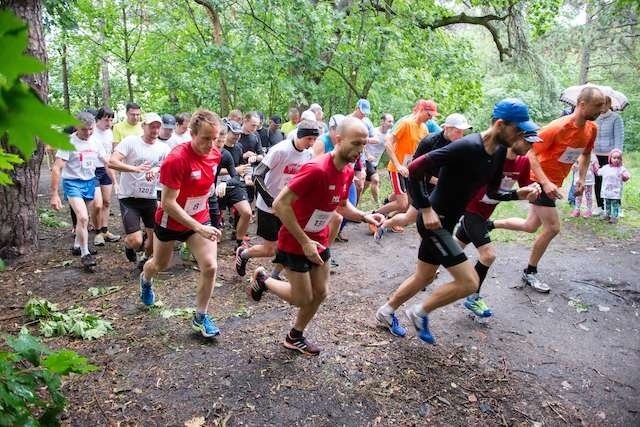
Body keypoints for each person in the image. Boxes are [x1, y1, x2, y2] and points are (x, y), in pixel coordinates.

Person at [375, 98, 541, 343]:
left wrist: (518, 194)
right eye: (517, 129)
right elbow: (416, 170)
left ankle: (385, 312)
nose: (520, 135)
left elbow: (491, 193)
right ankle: (419, 312)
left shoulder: (497, 154)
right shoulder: (467, 146)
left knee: (425, 276)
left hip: (449, 220)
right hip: (435, 221)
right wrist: (426, 208)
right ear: (500, 124)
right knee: (469, 282)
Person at [247, 117, 384, 355]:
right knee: (302, 298)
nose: (360, 150)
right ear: (338, 140)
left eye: (363, 144)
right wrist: (304, 241)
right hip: (294, 240)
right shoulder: (316, 169)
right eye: (355, 143)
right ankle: (263, 280)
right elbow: (280, 205)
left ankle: (295, 336)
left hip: (319, 239)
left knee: (321, 293)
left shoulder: (348, 170)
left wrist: (365, 216)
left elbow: (341, 206)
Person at [490, 87, 605, 293]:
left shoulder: (591, 129)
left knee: (530, 225)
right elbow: (530, 152)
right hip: (538, 181)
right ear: (582, 104)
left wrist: (579, 178)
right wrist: (544, 183)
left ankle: (488, 224)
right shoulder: (558, 127)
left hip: (555, 182)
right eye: (598, 105)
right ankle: (530, 272)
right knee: (552, 228)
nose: (602, 109)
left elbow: (586, 154)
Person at [139, 110, 223, 338]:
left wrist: (209, 216)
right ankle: (146, 280)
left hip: (200, 217)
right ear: (192, 133)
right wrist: (198, 227)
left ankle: (200, 317)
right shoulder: (177, 159)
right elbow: (167, 203)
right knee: (159, 264)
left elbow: (207, 186)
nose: (211, 144)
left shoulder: (215, 154)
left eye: (214, 138)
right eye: (206, 138)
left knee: (210, 266)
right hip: (171, 220)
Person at [455, 135, 540, 318]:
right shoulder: (493, 158)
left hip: (486, 212)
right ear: (515, 139)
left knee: (457, 245)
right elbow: (491, 192)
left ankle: (428, 267)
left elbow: (524, 190)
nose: (530, 147)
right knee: (488, 255)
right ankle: (472, 296)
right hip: (471, 210)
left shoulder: (524, 162)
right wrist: (516, 194)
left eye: (533, 143)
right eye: (527, 142)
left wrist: (533, 192)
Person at [235, 120, 318, 277]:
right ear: (300, 135)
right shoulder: (280, 150)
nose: (311, 143)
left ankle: (273, 276)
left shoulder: (309, 154)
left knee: (290, 243)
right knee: (270, 249)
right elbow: (257, 175)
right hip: (269, 206)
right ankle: (243, 254)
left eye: (314, 140)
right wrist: (271, 202)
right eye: (308, 139)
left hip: (289, 207)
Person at [373, 113, 471, 238]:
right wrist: (437, 181)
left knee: (422, 217)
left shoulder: (458, 144)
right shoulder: (430, 141)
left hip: (440, 188)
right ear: (447, 128)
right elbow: (415, 170)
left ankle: (436, 243)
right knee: (411, 217)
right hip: (421, 184)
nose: (461, 135)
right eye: (458, 131)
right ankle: (385, 224)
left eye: (463, 132)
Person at [108, 113, 171, 268]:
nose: (155, 129)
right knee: (136, 241)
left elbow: (169, 165)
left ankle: (144, 259)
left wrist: (156, 169)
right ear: (143, 126)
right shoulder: (131, 142)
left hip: (150, 197)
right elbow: (112, 162)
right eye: (151, 126)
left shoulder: (164, 148)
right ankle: (129, 245)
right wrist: (134, 168)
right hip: (129, 197)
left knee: (151, 244)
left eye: (158, 126)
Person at [50, 112, 108, 269]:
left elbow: (107, 161)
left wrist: (128, 171)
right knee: (83, 218)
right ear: (76, 127)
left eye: (91, 129)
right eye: (84, 129)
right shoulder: (68, 142)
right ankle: (85, 254)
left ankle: (77, 245)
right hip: (72, 183)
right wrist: (54, 194)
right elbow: (57, 168)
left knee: (87, 214)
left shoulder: (95, 141)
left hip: (90, 181)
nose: (88, 133)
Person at [375, 100, 435, 223]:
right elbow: (388, 143)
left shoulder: (424, 128)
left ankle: (390, 217)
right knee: (402, 204)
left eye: (432, 116)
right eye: (429, 115)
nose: (430, 118)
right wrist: (397, 165)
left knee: (410, 201)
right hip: (397, 169)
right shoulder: (406, 123)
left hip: (410, 169)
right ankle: (373, 215)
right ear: (421, 110)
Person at [218, 119, 253, 249]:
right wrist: (234, 171)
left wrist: (246, 174)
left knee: (246, 212)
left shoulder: (238, 147)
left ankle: (239, 240)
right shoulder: (219, 148)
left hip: (234, 183)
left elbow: (238, 167)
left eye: (238, 134)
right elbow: (213, 170)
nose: (237, 137)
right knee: (217, 218)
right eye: (234, 134)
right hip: (218, 186)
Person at [593, 96, 625, 216]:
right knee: (598, 180)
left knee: (613, 181)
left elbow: (619, 138)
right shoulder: (594, 117)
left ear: (609, 104)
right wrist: (591, 154)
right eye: (599, 104)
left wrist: (617, 156)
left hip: (611, 156)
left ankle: (617, 208)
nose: (601, 106)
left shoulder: (616, 118)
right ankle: (601, 206)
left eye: (604, 104)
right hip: (596, 154)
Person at [362, 113, 394, 206]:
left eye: (392, 121)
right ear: (382, 122)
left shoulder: (390, 135)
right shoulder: (373, 132)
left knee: (365, 184)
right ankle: (378, 204)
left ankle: (355, 199)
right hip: (366, 160)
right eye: (389, 121)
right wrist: (368, 155)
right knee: (375, 180)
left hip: (375, 162)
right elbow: (363, 143)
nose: (391, 123)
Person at [597, 148, 630, 224]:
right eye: (614, 158)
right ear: (610, 158)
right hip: (606, 190)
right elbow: (598, 172)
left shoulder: (621, 169)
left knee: (615, 204)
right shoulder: (606, 167)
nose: (616, 160)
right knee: (607, 203)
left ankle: (614, 217)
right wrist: (595, 167)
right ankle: (607, 215)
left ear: (621, 159)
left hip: (615, 191)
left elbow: (627, 176)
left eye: (618, 158)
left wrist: (625, 176)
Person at [570, 153, 599, 218]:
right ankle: (577, 210)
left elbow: (596, 169)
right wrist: (574, 166)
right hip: (578, 179)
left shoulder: (592, 156)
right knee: (578, 196)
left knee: (588, 196)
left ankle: (589, 210)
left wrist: (595, 168)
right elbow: (572, 168)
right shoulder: (576, 154)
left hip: (589, 180)